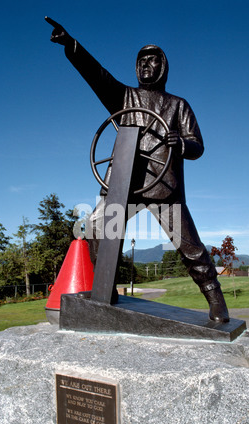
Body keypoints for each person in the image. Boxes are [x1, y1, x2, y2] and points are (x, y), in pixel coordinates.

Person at [45, 17, 229, 322]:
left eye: (153, 60)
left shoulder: (178, 105)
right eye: (141, 61)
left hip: (164, 188)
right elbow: (97, 75)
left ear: (163, 66)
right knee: (96, 229)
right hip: (123, 184)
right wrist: (72, 45)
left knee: (190, 248)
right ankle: (106, 290)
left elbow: (197, 146)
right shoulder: (124, 97)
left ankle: (216, 299)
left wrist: (180, 144)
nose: (146, 65)